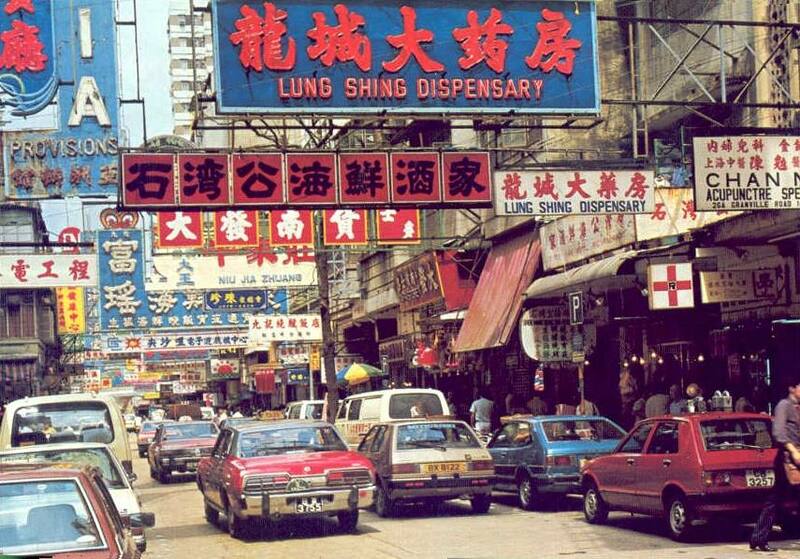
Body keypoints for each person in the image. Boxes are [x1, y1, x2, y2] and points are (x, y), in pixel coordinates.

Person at [750, 376, 800, 552]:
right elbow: (778, 432)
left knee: (777, 500)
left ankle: (758, 537)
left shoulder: (798, 408)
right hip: (786, 460)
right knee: (775, 500)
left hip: (797, 458)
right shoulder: (784, 406)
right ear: (792, 388)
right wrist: (793, 450)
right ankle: (759, 538)